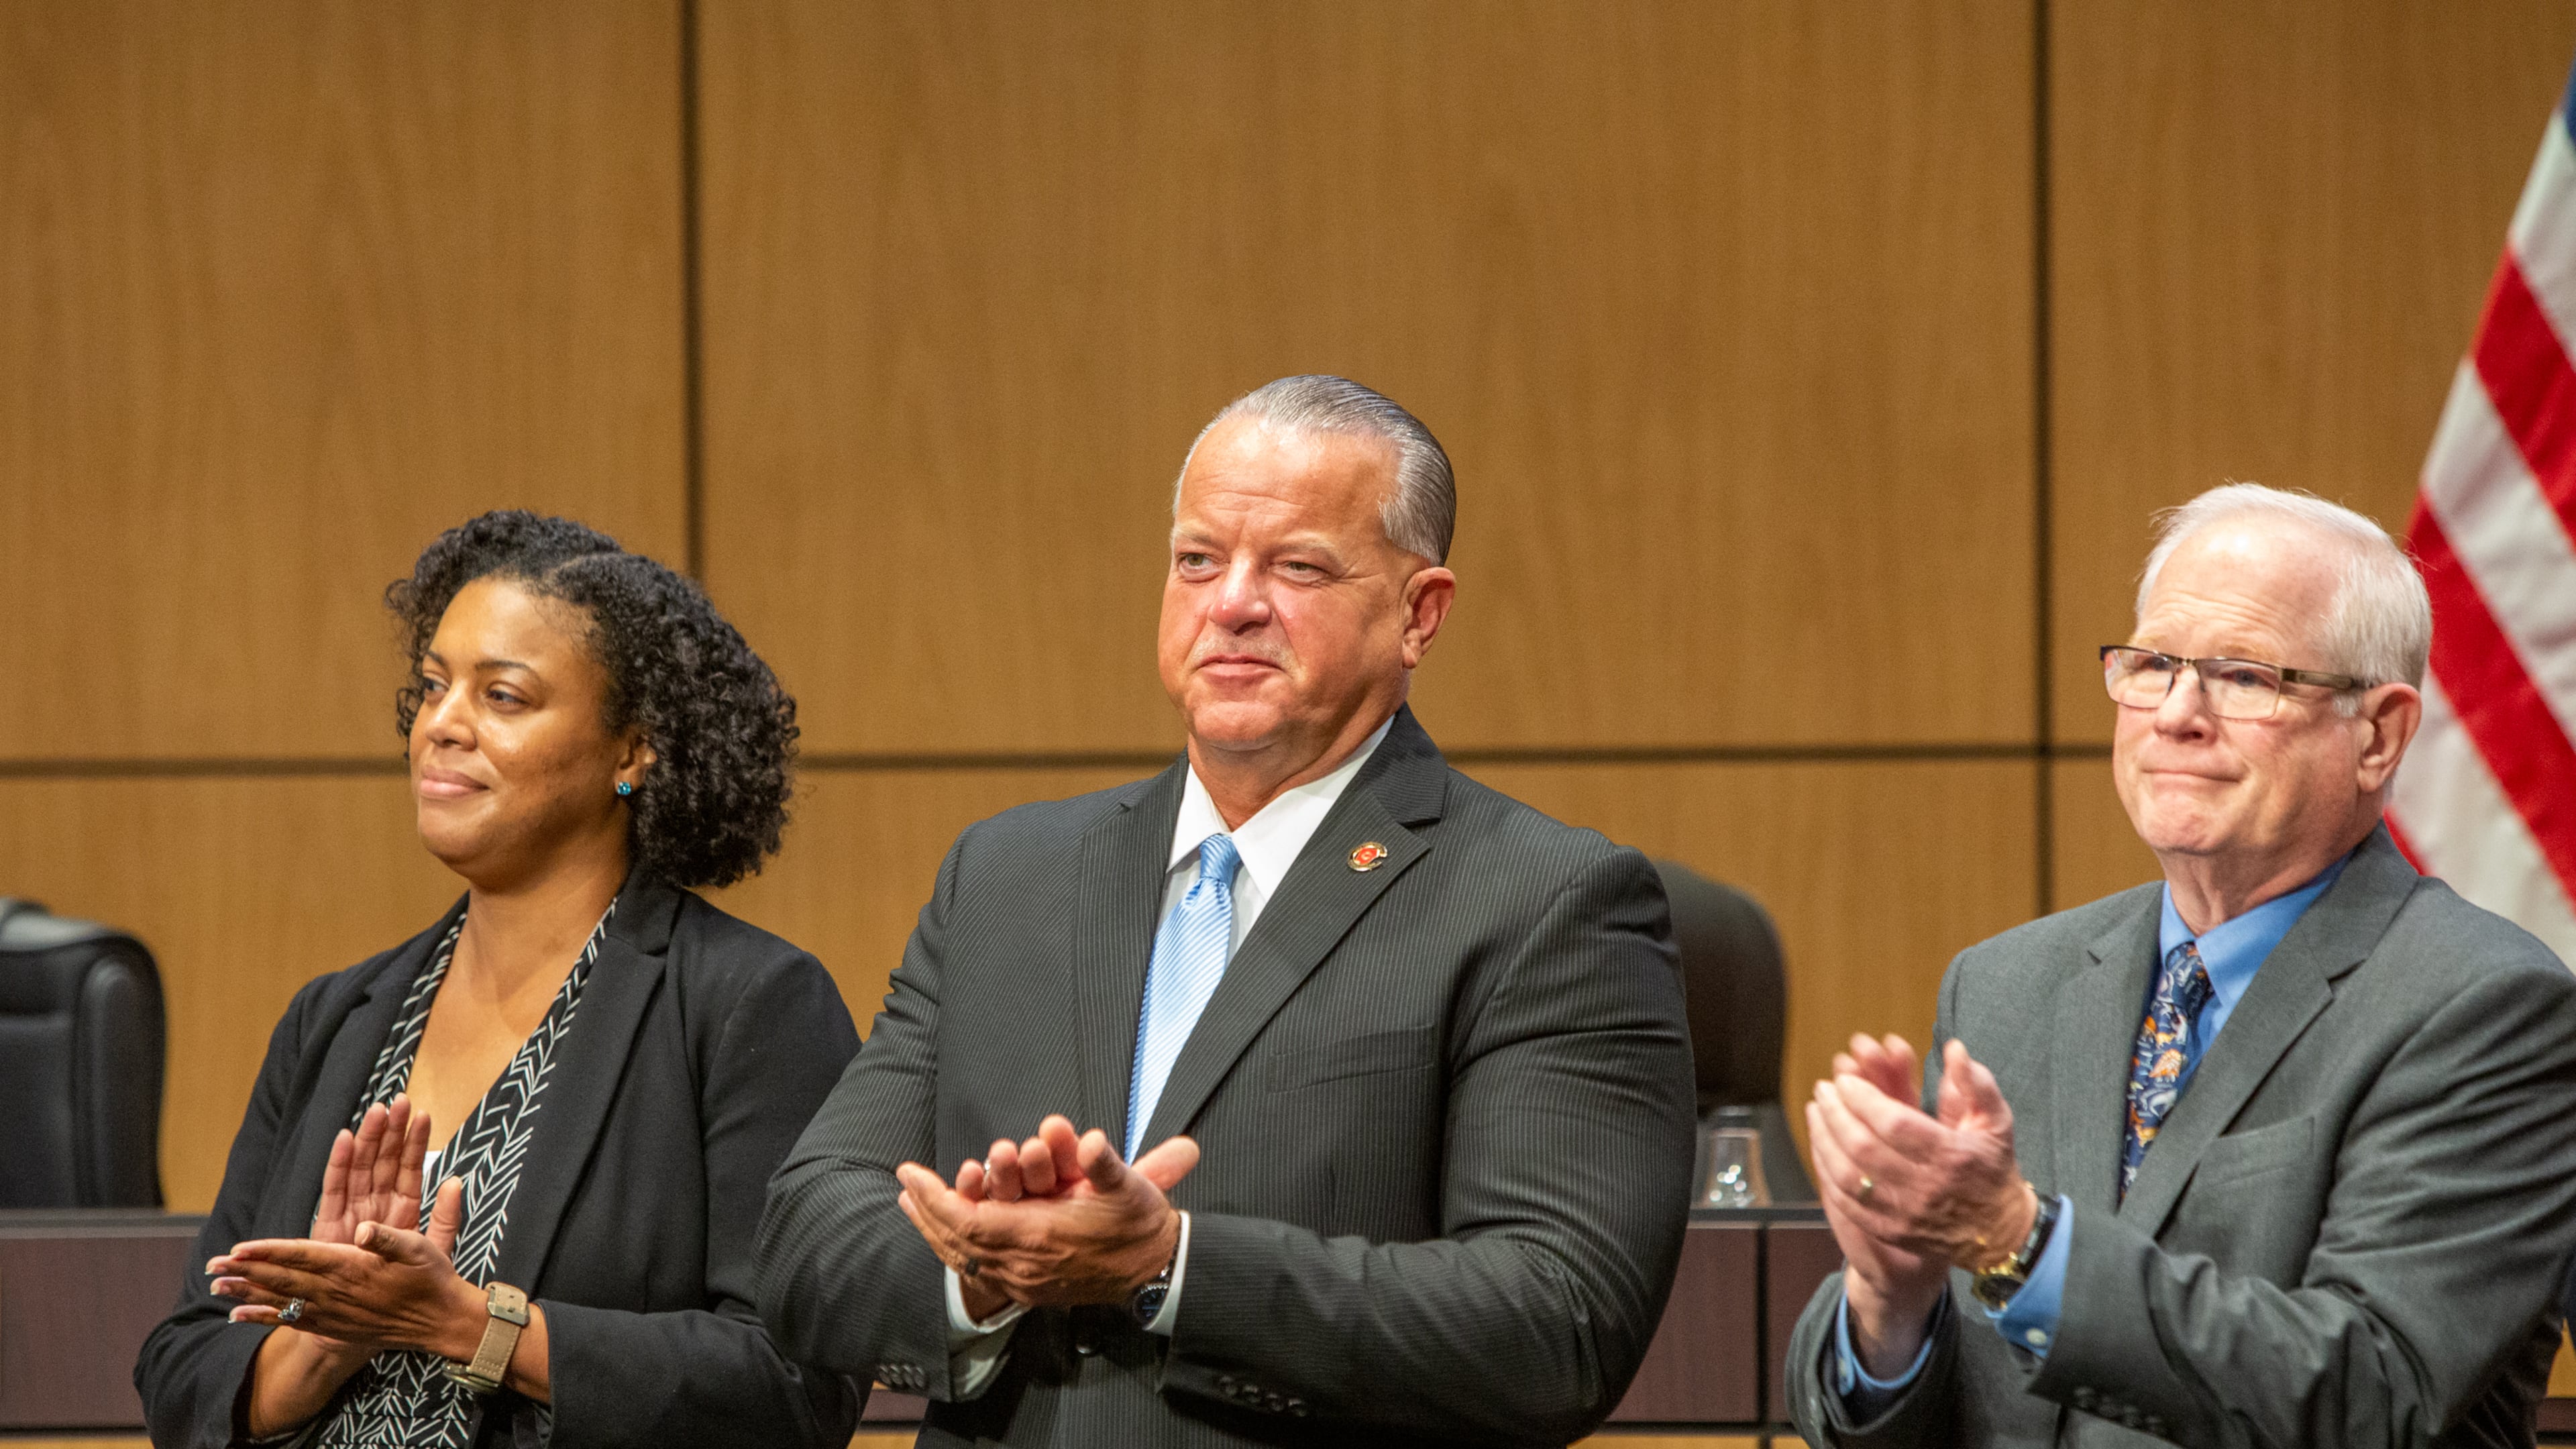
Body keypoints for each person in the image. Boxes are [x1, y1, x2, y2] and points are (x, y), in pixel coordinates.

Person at [755, 375, 1697, 1447]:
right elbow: (803, 1238)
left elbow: (1556, 1323)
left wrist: (1172, 1268)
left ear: (1418, 614)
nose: (1232, 601)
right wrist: (984, 1272)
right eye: (1198, 559)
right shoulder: (1008, 875)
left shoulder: (1543, 901)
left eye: (1297, 566)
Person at [1785, 484, 2576, 1447]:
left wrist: (2014, 1246)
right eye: (2155, 665)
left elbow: (2370, 1393)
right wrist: (1887, 1302)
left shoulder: (2485, 1005)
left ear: (2379, 735)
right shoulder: (2002, 986)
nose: (2178, 714)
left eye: (2244, 677)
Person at [136, 512, 863, 1449]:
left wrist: (475, 1328)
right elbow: (182, 1367)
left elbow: (793, 1386)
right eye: (433, 686)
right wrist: (324, 1344)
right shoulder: (336, 1016)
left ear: (633, 751)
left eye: (504, 697)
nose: (441, 724)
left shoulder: (746, 1004)